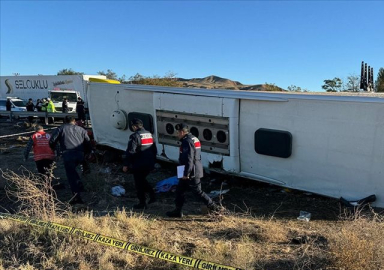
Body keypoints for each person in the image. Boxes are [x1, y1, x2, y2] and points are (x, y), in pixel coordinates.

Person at [166, 123, 219, 218]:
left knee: (198, 191)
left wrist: (186, 173)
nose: (177, 134)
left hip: (191, 171)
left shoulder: (187, 141)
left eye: (178, 132)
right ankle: (178, 211)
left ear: (182, 132)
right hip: (192, 169)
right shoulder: (194, 138)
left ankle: (215, 208)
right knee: (179, 190)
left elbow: (189, 158)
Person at [49, 116, 90, 204]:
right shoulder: (81, 129)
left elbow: (52, 141)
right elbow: (88, 142)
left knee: (71, 175)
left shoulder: (61, 129)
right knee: (75, 171)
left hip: (68, 153)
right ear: (74, 121)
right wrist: (86, 153)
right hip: (80, 153)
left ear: (64, 121)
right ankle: (80, 186)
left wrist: (56, 149)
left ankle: (77, 197)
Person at [123, 118, 157, 209]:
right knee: (142, 180)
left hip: (139, 164)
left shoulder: (134, 136)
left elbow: (131, 151)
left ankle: (143, 202)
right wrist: (153, 163)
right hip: (149, 163)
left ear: (134, 126)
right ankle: (152, 195)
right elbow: (154, 150)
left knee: (139, 183)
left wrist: (126, 164)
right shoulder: (149, 134)